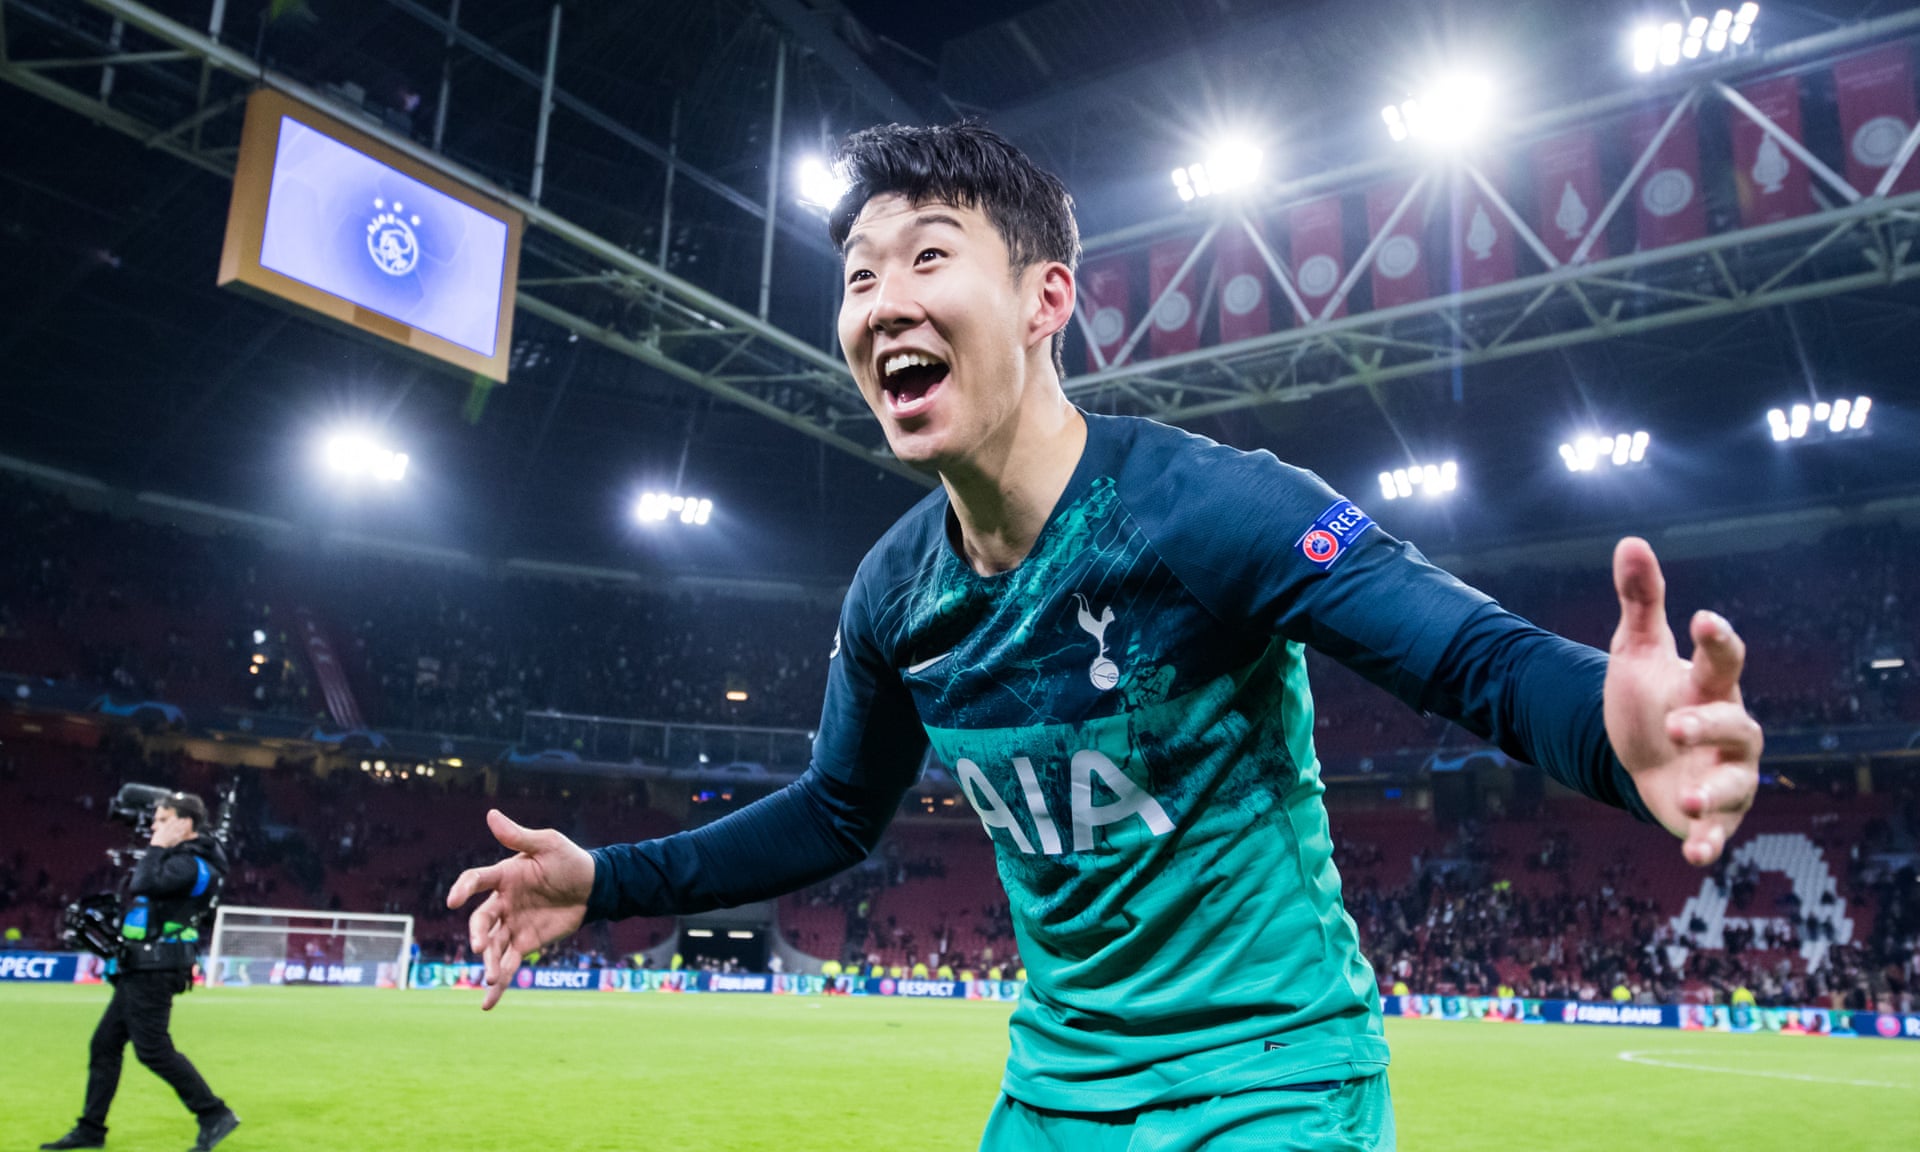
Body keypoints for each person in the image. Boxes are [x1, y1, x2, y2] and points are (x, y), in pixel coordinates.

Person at [448, 122, 1763, 1150]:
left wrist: (1614, 733)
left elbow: (1468, 659)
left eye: (928, 258)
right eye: (859, 277)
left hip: (1271, 1084)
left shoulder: (1207, 510)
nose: (884, 301)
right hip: (1055, 1095)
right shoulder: (894, 596)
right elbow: (836, 813)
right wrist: (604, 880)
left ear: (1045, 299)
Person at [43, 793, 241, 1152]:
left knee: (153, 1050)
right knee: (105, 1045)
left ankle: (214, 1113)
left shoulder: (192, 864)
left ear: (185, 824)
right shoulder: (184, 859)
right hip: (144, 966)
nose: (153, 826)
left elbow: (145, 884)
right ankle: (91, 1129)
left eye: (162, 820)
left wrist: (157, 846)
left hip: (156, 968)